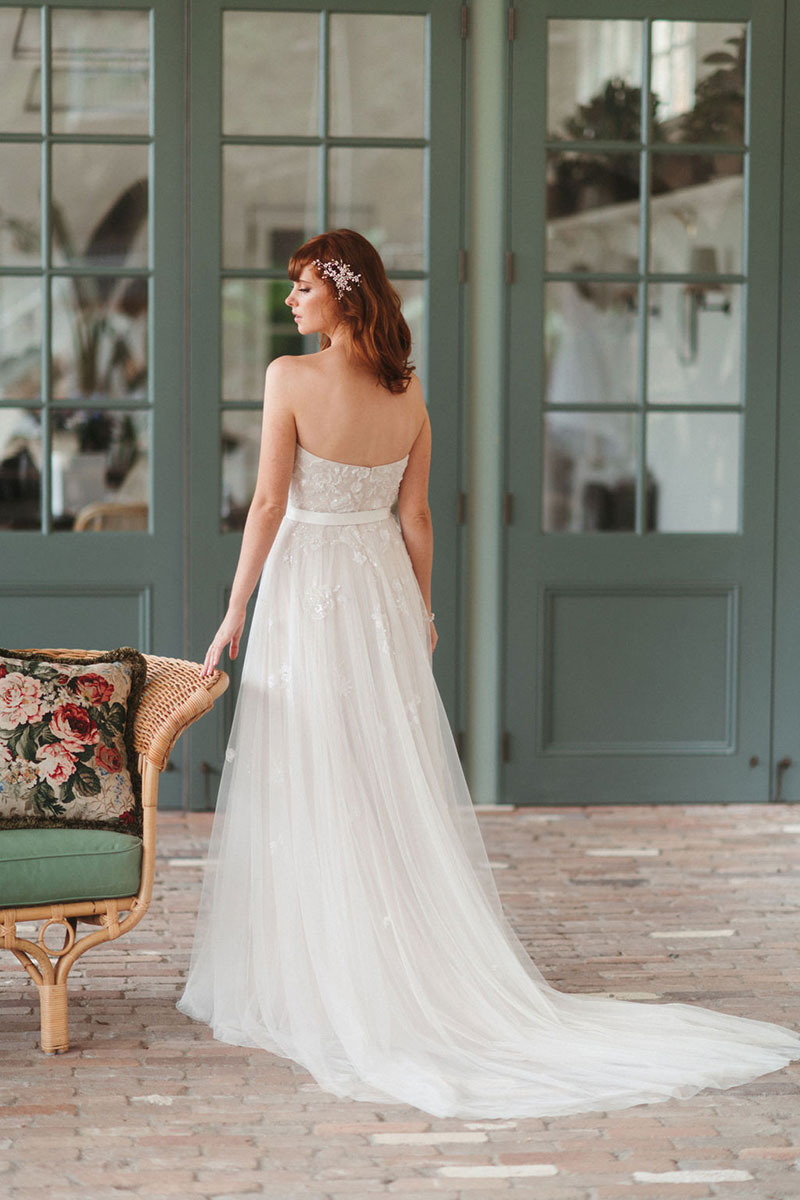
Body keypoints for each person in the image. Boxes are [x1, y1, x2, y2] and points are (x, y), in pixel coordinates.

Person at [177, 229, 800, 1119]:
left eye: (303, 287)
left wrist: (235, 610)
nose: (290, 302)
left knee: (315, 765)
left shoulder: (289, 379)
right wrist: (421, 609)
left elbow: (271, 503)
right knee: (377, 773)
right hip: (381, 590)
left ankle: (323, 968)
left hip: (311, 585)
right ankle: (380, 954)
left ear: (344, 297)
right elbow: (418, 515)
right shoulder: (409, 390)